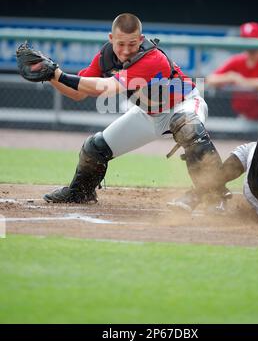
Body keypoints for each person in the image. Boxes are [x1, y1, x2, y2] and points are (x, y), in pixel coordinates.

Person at [37, 13, 231, 206]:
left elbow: (108, 87)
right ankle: (80, 193)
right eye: (120, 44)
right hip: (149, 113)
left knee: (188, 127)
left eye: (132, 44)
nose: (126, 51)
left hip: (183, 104)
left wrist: (59, 75)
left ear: (141, 39)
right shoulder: (105, 57)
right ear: (111, 39)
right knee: (95, 149)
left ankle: (216, 196)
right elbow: (78, 94)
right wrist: (49, 76)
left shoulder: (152, 58)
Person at [206, 22, 258, 120]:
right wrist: (231, 77)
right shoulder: (237, 60)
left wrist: (246, 82)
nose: (249, 43)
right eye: (246, 39)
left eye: (252, 39)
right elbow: (210, 80)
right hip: (244, 117)